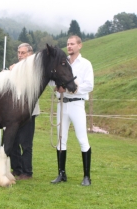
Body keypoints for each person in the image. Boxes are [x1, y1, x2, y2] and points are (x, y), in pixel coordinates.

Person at [50, 35, 94, 186]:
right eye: (68, 44)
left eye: (72, 44)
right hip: (62, 104)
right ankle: (61, 174)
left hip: (76, 104)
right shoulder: (62, 63)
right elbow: (52, 80)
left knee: (82, 139)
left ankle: (87, 176)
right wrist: (57, 87)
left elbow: (89, 85)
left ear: (79, 46)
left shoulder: (86, 64)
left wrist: (72, 89)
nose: (69, 46)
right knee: (61, 139)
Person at [9, 43, 40, 180]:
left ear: (30, 54)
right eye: (19, 53)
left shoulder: (35, 68)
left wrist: (16, 70)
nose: (20, 55)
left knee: (26, 143)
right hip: (14, 111)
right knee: (13, 141)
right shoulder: (15, 68)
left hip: (29, 111)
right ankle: (17, 168)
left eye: (23, 53)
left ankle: (27, 172)